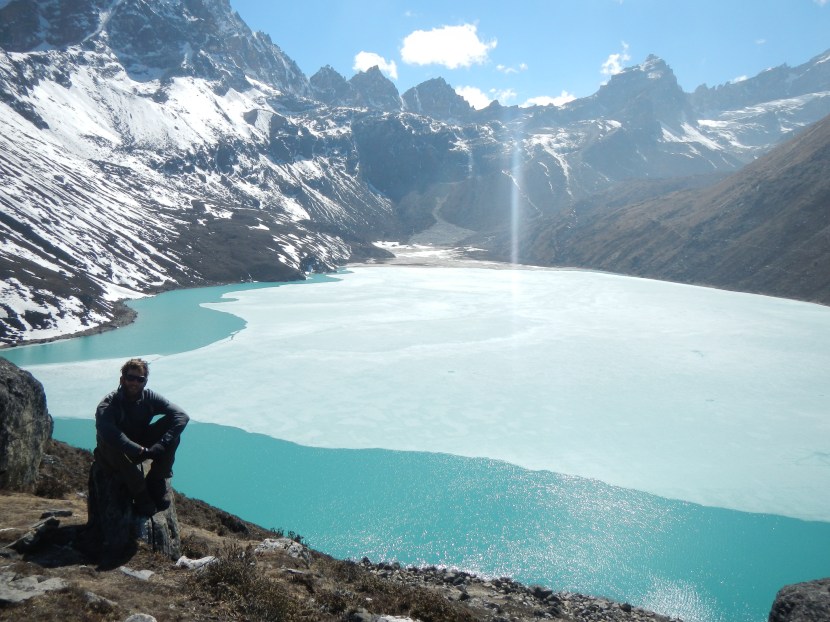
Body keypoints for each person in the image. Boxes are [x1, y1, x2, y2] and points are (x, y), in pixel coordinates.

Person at [94, 358, 189, 517]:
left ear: (145, 382)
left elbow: (182, 416)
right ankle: (140, 493)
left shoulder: (149, 397)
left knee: (173, 435)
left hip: (139, 445)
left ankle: (156, 478)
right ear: (122, 379)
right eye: (130, 378)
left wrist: (161, 445)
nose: (134, 383)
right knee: (112, 443)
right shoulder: (109, 404)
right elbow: (109, 433)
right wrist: (139, 450)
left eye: (140, 379)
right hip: (113, 455)